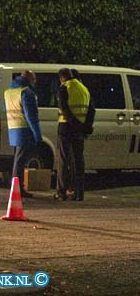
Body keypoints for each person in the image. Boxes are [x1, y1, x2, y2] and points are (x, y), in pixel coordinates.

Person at [5, 70, 42, 198]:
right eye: (34, 79)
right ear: (29, 79)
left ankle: (15, 186)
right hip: (24, 130)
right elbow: (31, 116)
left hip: (13, 129)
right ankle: (17, 187)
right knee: (20, 161)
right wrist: (38, 135)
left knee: (17, 159)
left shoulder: (9, 91)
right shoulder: (26, 92)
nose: (35, 82)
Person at [56, 68, 91, 201]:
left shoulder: (63, 88)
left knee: (63, 160)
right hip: (79, 129)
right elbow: (91, 110)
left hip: (65, 127)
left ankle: (62, 192)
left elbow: (64, 110)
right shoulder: (84, 89)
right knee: (78, 160)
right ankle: (79, 192)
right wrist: (85, 127)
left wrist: (75, 124)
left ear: (62, 77)